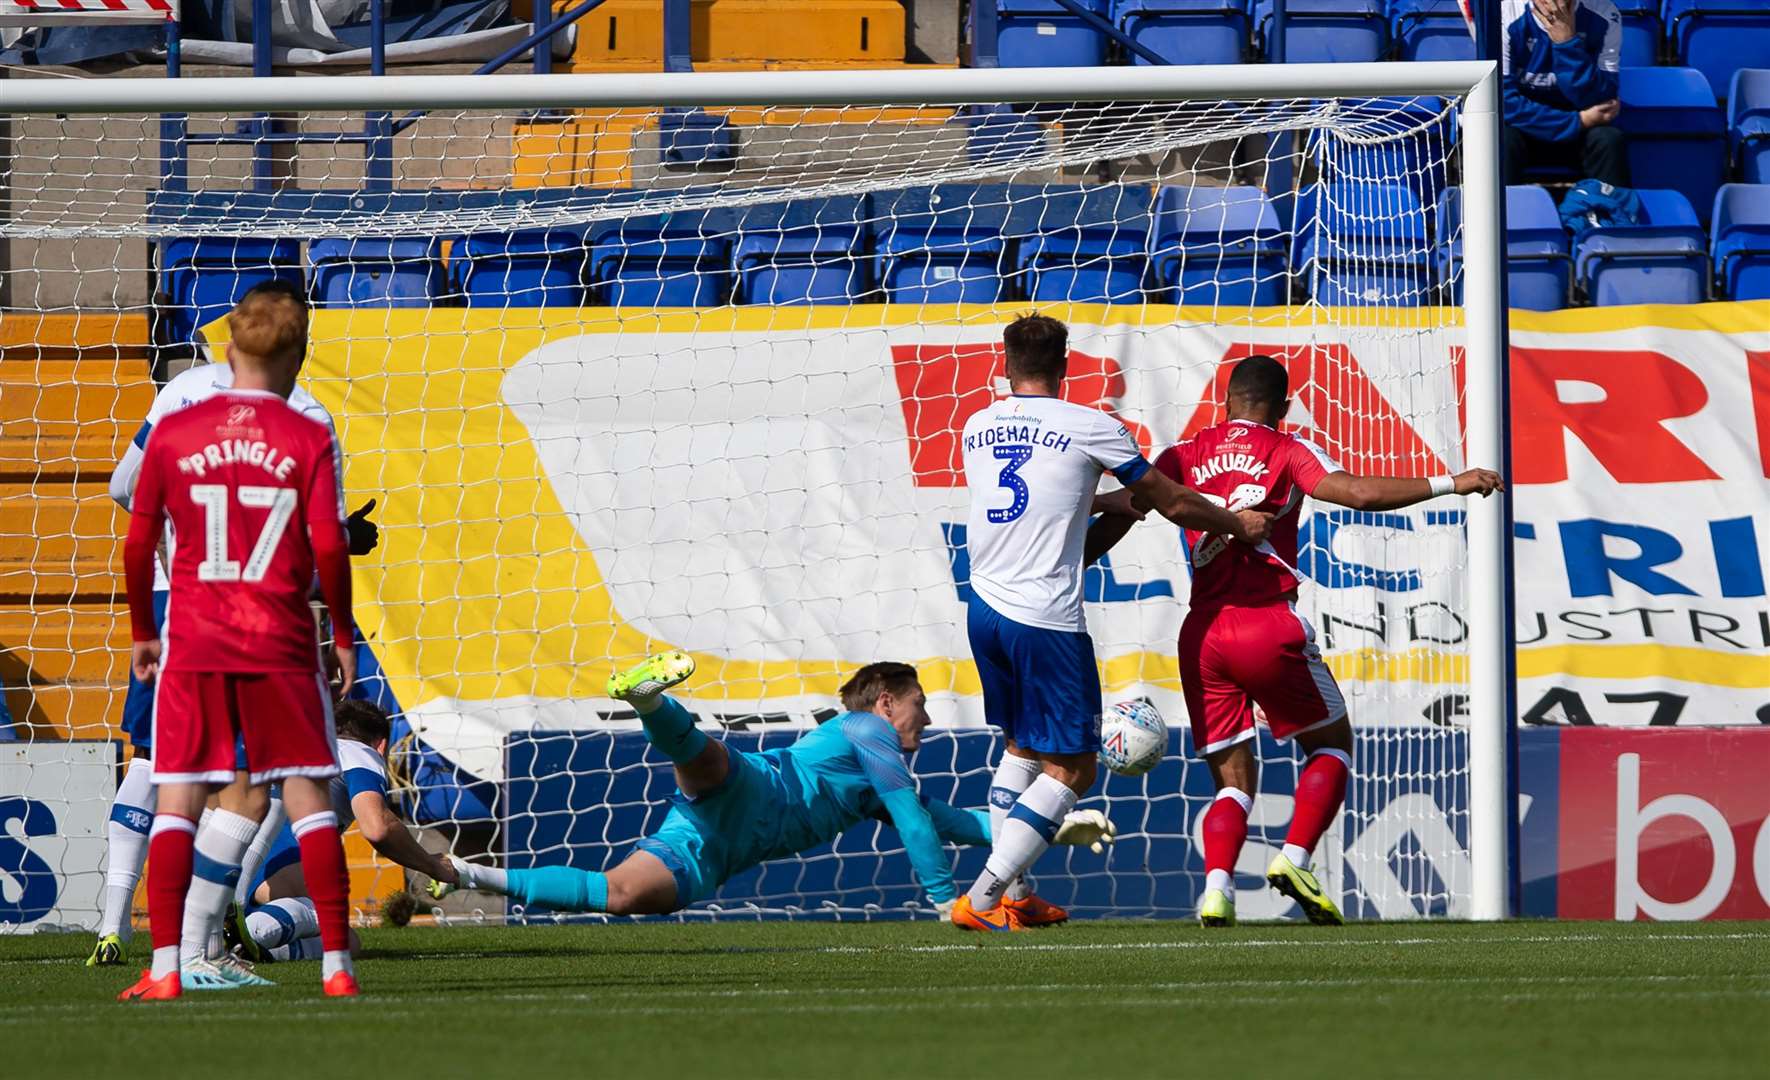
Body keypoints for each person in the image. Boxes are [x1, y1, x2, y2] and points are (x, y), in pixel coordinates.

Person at [1123, 355, 1501, 927]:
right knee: (1332, 745)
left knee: (1231, 780)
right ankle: (1296, 858)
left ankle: (1217, 890)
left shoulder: (1180, 455)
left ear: (1226, 402)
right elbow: (1357, 494)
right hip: (1266, 622)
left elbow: (1129, 503)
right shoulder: (1285, 448)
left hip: (1202, 634)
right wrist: (1451, 482)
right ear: (1283, 406)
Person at [89, 280, 378, 969]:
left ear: (228, 341)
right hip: (269, 620)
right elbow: (324, 545)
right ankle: (272, 955)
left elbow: (126, 497)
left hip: (182, 607)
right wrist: (339, 628)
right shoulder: (308, 419)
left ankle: (147, 946)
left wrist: (149, 610)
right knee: (277, 789)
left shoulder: (182, 403)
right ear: (299, 352)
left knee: (166, 772)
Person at [951, 313, 1270, 932]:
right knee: (1072, 768)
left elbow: (1050, 514)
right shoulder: (1093, 426)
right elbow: (1176, 501)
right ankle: (984, 900)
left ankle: (1015, 892)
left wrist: (1117, 506)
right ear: (1066, 365)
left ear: (1005, 364)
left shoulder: (978, 426)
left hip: (984, 608)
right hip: (1043, 618)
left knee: (1020, 746)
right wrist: (1238, 524)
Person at [430, 653, 1118, 918]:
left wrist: (1046, 826)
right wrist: (947, 899)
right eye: (919, 704)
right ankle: (650, 703)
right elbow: (913, 818)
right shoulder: (867, 733)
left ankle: (468, 872)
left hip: (717, 847)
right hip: (760, 790)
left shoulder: (873, 766)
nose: (928, 718)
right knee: (708, 762)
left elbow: (951, 822)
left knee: (619, 895)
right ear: (884, 703)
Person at [226, 699, 457, 963]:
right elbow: (378, 827)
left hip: (228, 863)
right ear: (381, 744)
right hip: (278, 871)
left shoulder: (297, 744)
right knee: (341, 935)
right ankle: (252, 934)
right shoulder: (359, 752)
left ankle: (244, 943)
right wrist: (431, 864)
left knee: (348, 940)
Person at [1501, 0, 1629, 188]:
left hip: (1581, 134)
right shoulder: (1505, 13)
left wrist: (1566, 43)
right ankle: (1502, 215)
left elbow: (1603, 101)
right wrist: (1579, 120)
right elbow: (1504, 103)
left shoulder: (1604, 14)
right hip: (1525, 127)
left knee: (1608, 140)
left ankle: (1608, 213)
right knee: (1500, 140)